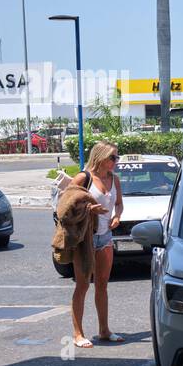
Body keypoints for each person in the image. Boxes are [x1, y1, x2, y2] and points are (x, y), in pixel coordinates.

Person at [68, 142, 125, 347]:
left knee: (102, 284)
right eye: (113, 158)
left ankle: (104, 330)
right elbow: (67, 204)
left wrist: (117, 216)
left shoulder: (114, 179)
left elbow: (119, 204)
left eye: (116, 157)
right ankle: (78, 334)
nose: (115, 162)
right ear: (100, 157)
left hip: (106, 237)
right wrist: (90, 209)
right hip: (86, 238)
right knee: (83, 284)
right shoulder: (84, 178)